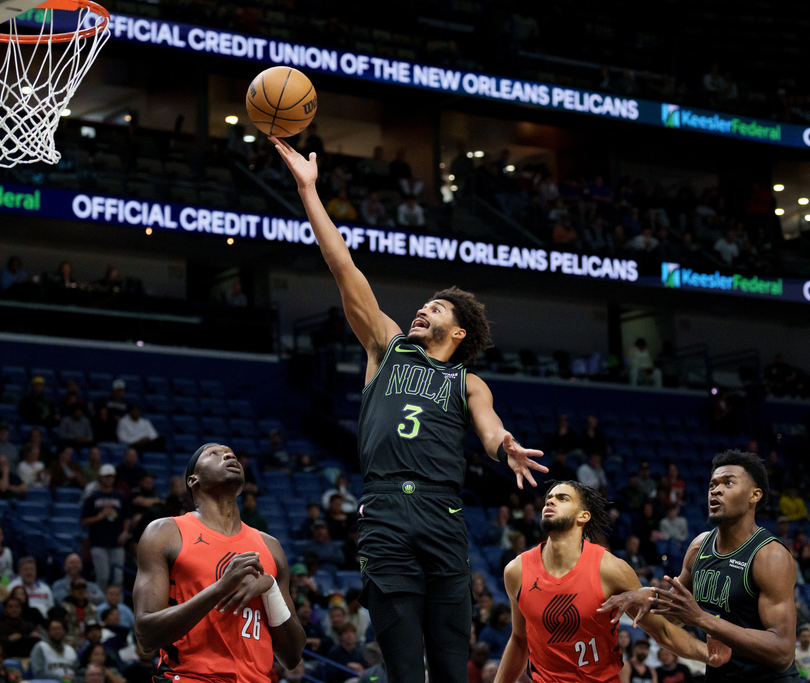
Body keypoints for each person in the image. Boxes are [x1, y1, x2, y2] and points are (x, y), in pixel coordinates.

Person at [272, 135, 546, 683]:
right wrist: (309, 191)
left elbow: (490, 429)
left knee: (449, 665)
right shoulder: (387, 346)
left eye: (436, 307)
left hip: (443, 516)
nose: (422, 309)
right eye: (423, 304)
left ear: (459, 330)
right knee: (402, 669)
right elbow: (342, 265)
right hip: (385, 514)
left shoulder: (467, 381)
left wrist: (504, 446)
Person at [601, 450, 801, 683]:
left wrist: (702, 619)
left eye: (728, 483)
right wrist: (647, 597)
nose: (716, 490)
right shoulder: (699, 547)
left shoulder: (770, 555)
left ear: (754, 495)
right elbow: (673, 618)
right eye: (712, 485)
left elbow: (783, 653)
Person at [495, 481, 724, 683]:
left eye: (562, 498)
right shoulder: (517, 571)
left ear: (583, 516)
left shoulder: (611, 569)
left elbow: (662, 631)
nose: (550, 501)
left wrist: (708, 654)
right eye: (548, 498)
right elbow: (519, 638)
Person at [133, 442, 305, 681]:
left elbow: (292, 655)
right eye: (214, 454)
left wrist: (270, 587)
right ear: (193, 480)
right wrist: (221, 587)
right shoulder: (165, 533)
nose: (228, 457)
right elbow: (146, 636)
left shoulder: (271, 547)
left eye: (232, 455)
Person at [80, 466, 130, 591]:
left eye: (111, 476)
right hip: (99, 543)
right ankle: (102, 607)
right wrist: (100, 516)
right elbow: (84, 521)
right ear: (100, 478)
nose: (109, 479)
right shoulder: (93, 498)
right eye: (106, 477)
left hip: (117, 544)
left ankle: (118, 607)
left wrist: (125, 532)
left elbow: (127, 517)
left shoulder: (120, 497)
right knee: (103, 578)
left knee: (118, 579)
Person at [29, 617, 77, 682]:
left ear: (64, 631)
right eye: (54, 629)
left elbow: (78, 672)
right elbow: (38, 673)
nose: (57, 632)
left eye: (59, 629)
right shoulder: (40, 647)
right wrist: (61, 679)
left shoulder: (70, 650)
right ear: (47, 632)